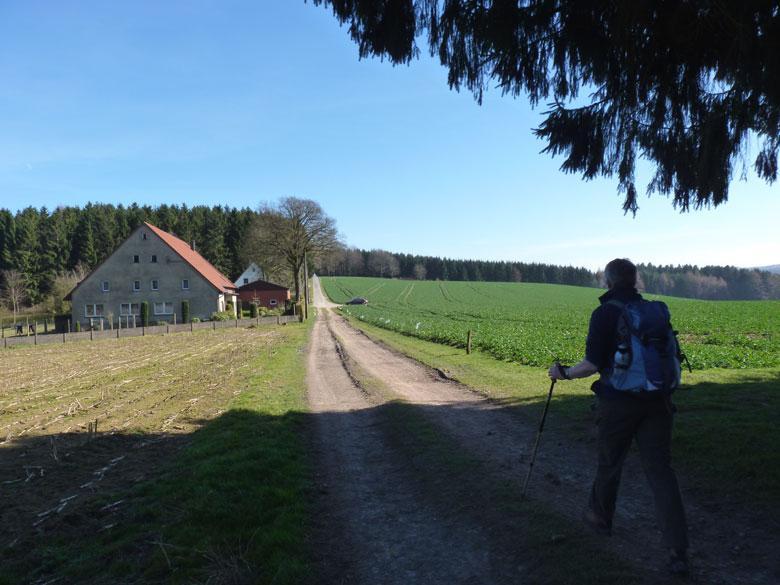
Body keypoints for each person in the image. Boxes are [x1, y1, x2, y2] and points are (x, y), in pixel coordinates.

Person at [548, 258, 689, 577]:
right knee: (661, 473)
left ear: (608, 282)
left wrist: (563, 373)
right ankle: (678, 550)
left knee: (610, 462)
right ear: (635, 280)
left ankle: (600, 519)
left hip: (619, 403)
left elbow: (592, 365)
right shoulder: (655, 310)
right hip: (659, 401)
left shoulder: (605, 313)